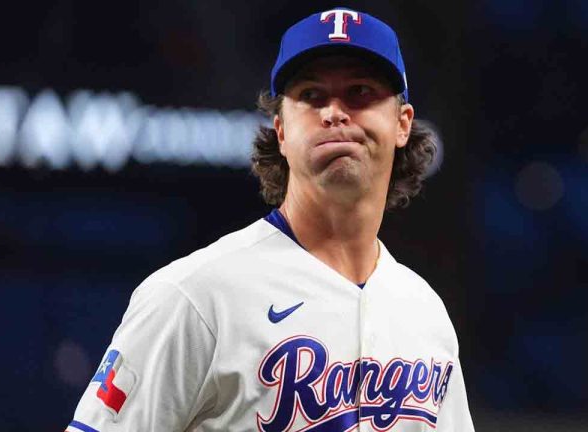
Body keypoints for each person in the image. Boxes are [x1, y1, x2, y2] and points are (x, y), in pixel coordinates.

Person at [66, 7, 474, 432]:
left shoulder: (424, 313)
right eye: (312, 96)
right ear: (280, 130)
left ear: (402, 124)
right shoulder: (196, 295)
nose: (335, 111)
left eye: (360, 92)